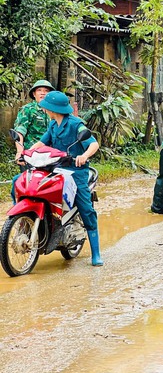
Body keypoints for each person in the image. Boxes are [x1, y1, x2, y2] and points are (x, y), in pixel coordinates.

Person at [30, 91, 103, 266]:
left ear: (53, 108)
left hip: (76, 172)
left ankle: (96, 253)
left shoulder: (75, 124)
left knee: (86, 208)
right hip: (56, 169)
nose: (44, 108)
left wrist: (84, 156)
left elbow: (93, 143)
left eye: (46, 106)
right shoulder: (53, 125)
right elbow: (42, 143)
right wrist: (28, 152)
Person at [10, 80, 54, 203]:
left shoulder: (55, 112)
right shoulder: (27, 110)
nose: (43, 93)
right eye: (39, 90)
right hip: (31, 156)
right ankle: (19, 214)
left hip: (52, 156)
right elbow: (20, 131)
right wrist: (20, 152)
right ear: (34, 94)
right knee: (23, 185)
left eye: (46, 91)